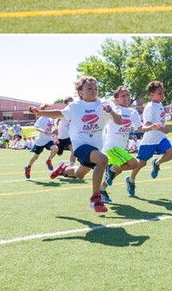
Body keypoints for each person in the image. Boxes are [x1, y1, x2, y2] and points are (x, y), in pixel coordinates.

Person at [29, 75, 122, 214]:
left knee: (79, 174)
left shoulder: (105, 104)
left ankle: (63, 169)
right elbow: (58, 114)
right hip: (80, 144)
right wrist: (40, 112)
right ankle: (96, 198)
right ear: (80, 92)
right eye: (89, 88)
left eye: (96, 88)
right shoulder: (75, 107)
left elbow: (119, 121)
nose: (93, 90)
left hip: (96, 145)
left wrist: (111, 111)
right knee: (102, 159)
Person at [126, 80, 172, 195]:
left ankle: (157, 163)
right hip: (149, 140)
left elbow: (159, 122)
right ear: (152, 95)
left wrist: (163, 129)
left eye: (163, 93)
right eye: (160, 93)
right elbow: (147, 124)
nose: (162, 95)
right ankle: (131, 180)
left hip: (160, 138)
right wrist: (161, 128)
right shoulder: (150, 106)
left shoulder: (160, 105)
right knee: (142, 163)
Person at [100, 85, 142, 203]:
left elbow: (141, 128)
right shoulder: (114, 109)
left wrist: (154, 127)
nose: (127, 97)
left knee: (117, 171)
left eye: (128, 95)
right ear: (116, 99)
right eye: (123, 95)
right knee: (134, 164)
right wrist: (112, 104)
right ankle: (109, 169)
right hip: (111, 146)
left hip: (121, 148)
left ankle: (101, 189)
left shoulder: (133, 112)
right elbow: (103, 102)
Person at [23, 105, 58, 179]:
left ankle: (48, 160)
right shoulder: (41, 119)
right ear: (43, 111)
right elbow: (37, 127)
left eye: (49, 110)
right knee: (35, 157)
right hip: (40, 141)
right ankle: (28, 167)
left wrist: (55, 133)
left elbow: (53, 127)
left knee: (55, 148)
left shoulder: (50, 119)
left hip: (49, 140)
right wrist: (44, 131)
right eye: (47, 110)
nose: (49, 111)